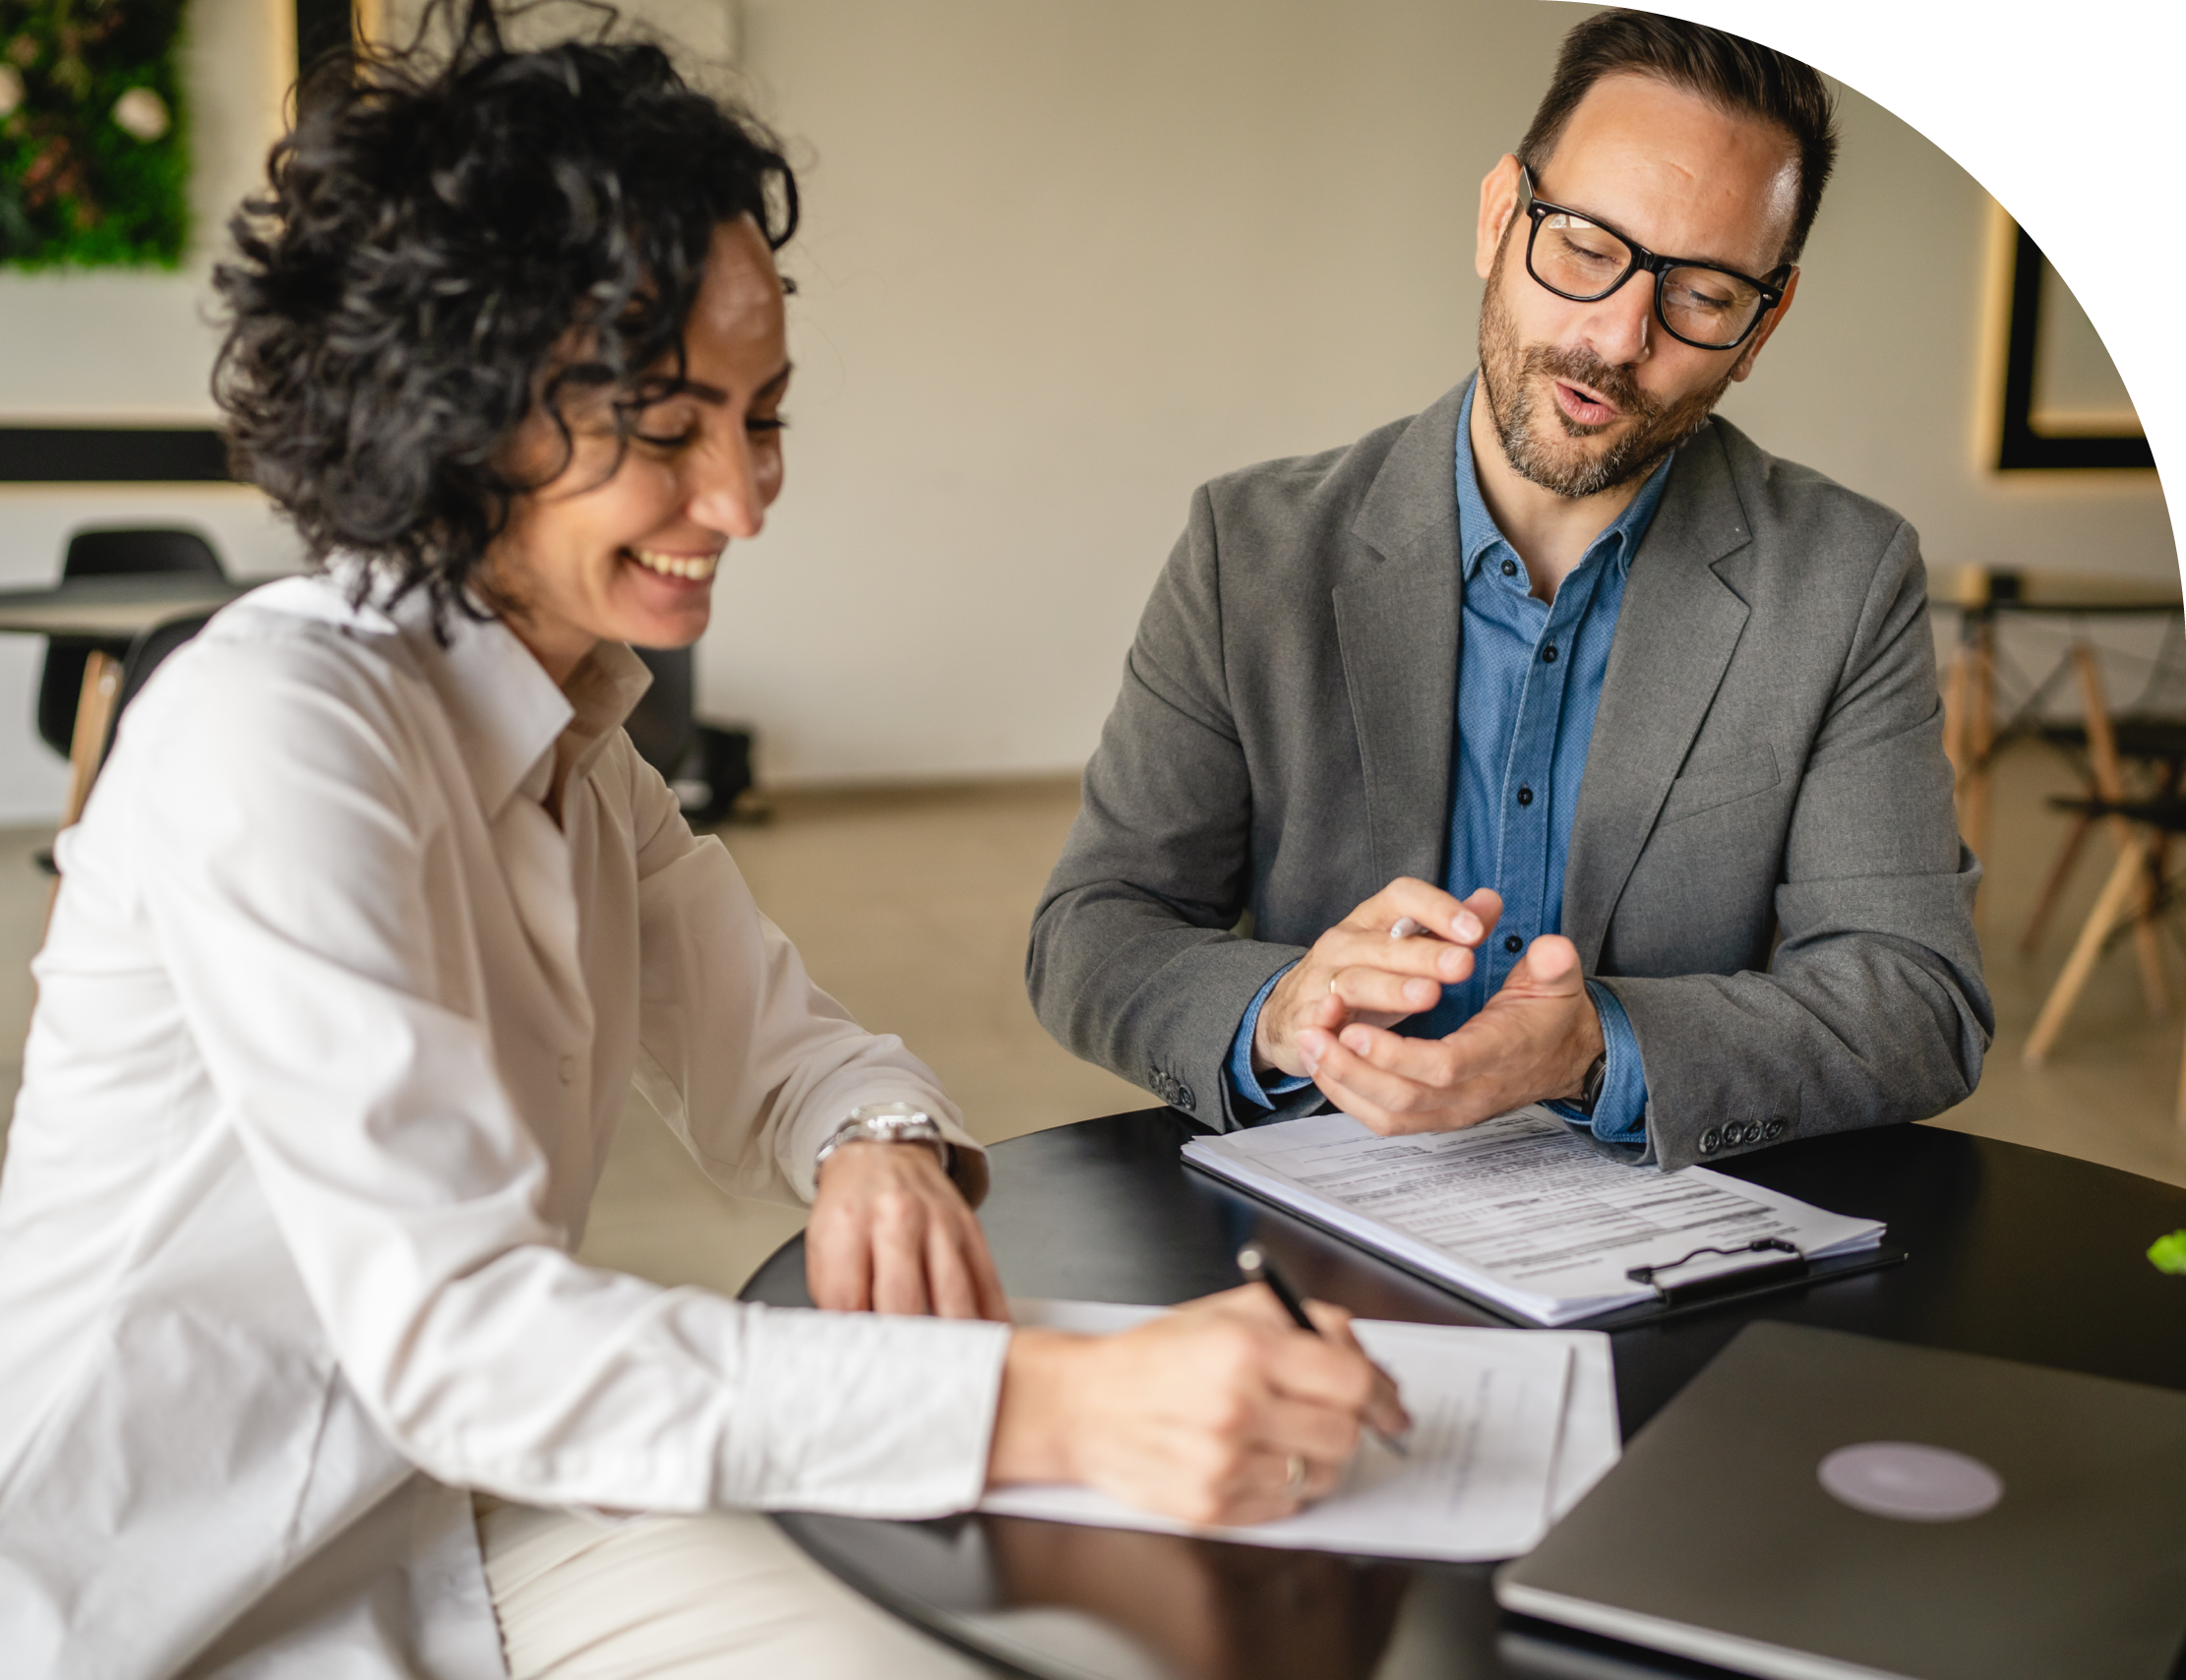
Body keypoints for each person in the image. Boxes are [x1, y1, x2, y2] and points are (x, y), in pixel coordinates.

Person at [0, 14, 1405, 1679]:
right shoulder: (276, 731)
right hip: (144, 1601)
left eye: (766, 418)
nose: (743, 499)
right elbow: (462, 1339)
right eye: (668, 429)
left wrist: (873, 1142)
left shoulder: (572, 734)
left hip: (448, 1514)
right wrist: (1060, 1400)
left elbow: (789, 1049)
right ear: (457, 413)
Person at [1028, 11, 1991, 1169]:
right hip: (1318, 1221)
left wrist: (1598, 1048)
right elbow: (1092, 933)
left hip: (1660, 1254)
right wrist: (1278, 1007)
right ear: (1499, 216)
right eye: (1585, 245)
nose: (1617, 336)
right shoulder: (1250, 547)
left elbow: (1915, 997)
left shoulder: (1842, 577)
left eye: (1703, 294)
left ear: (1761, 323)